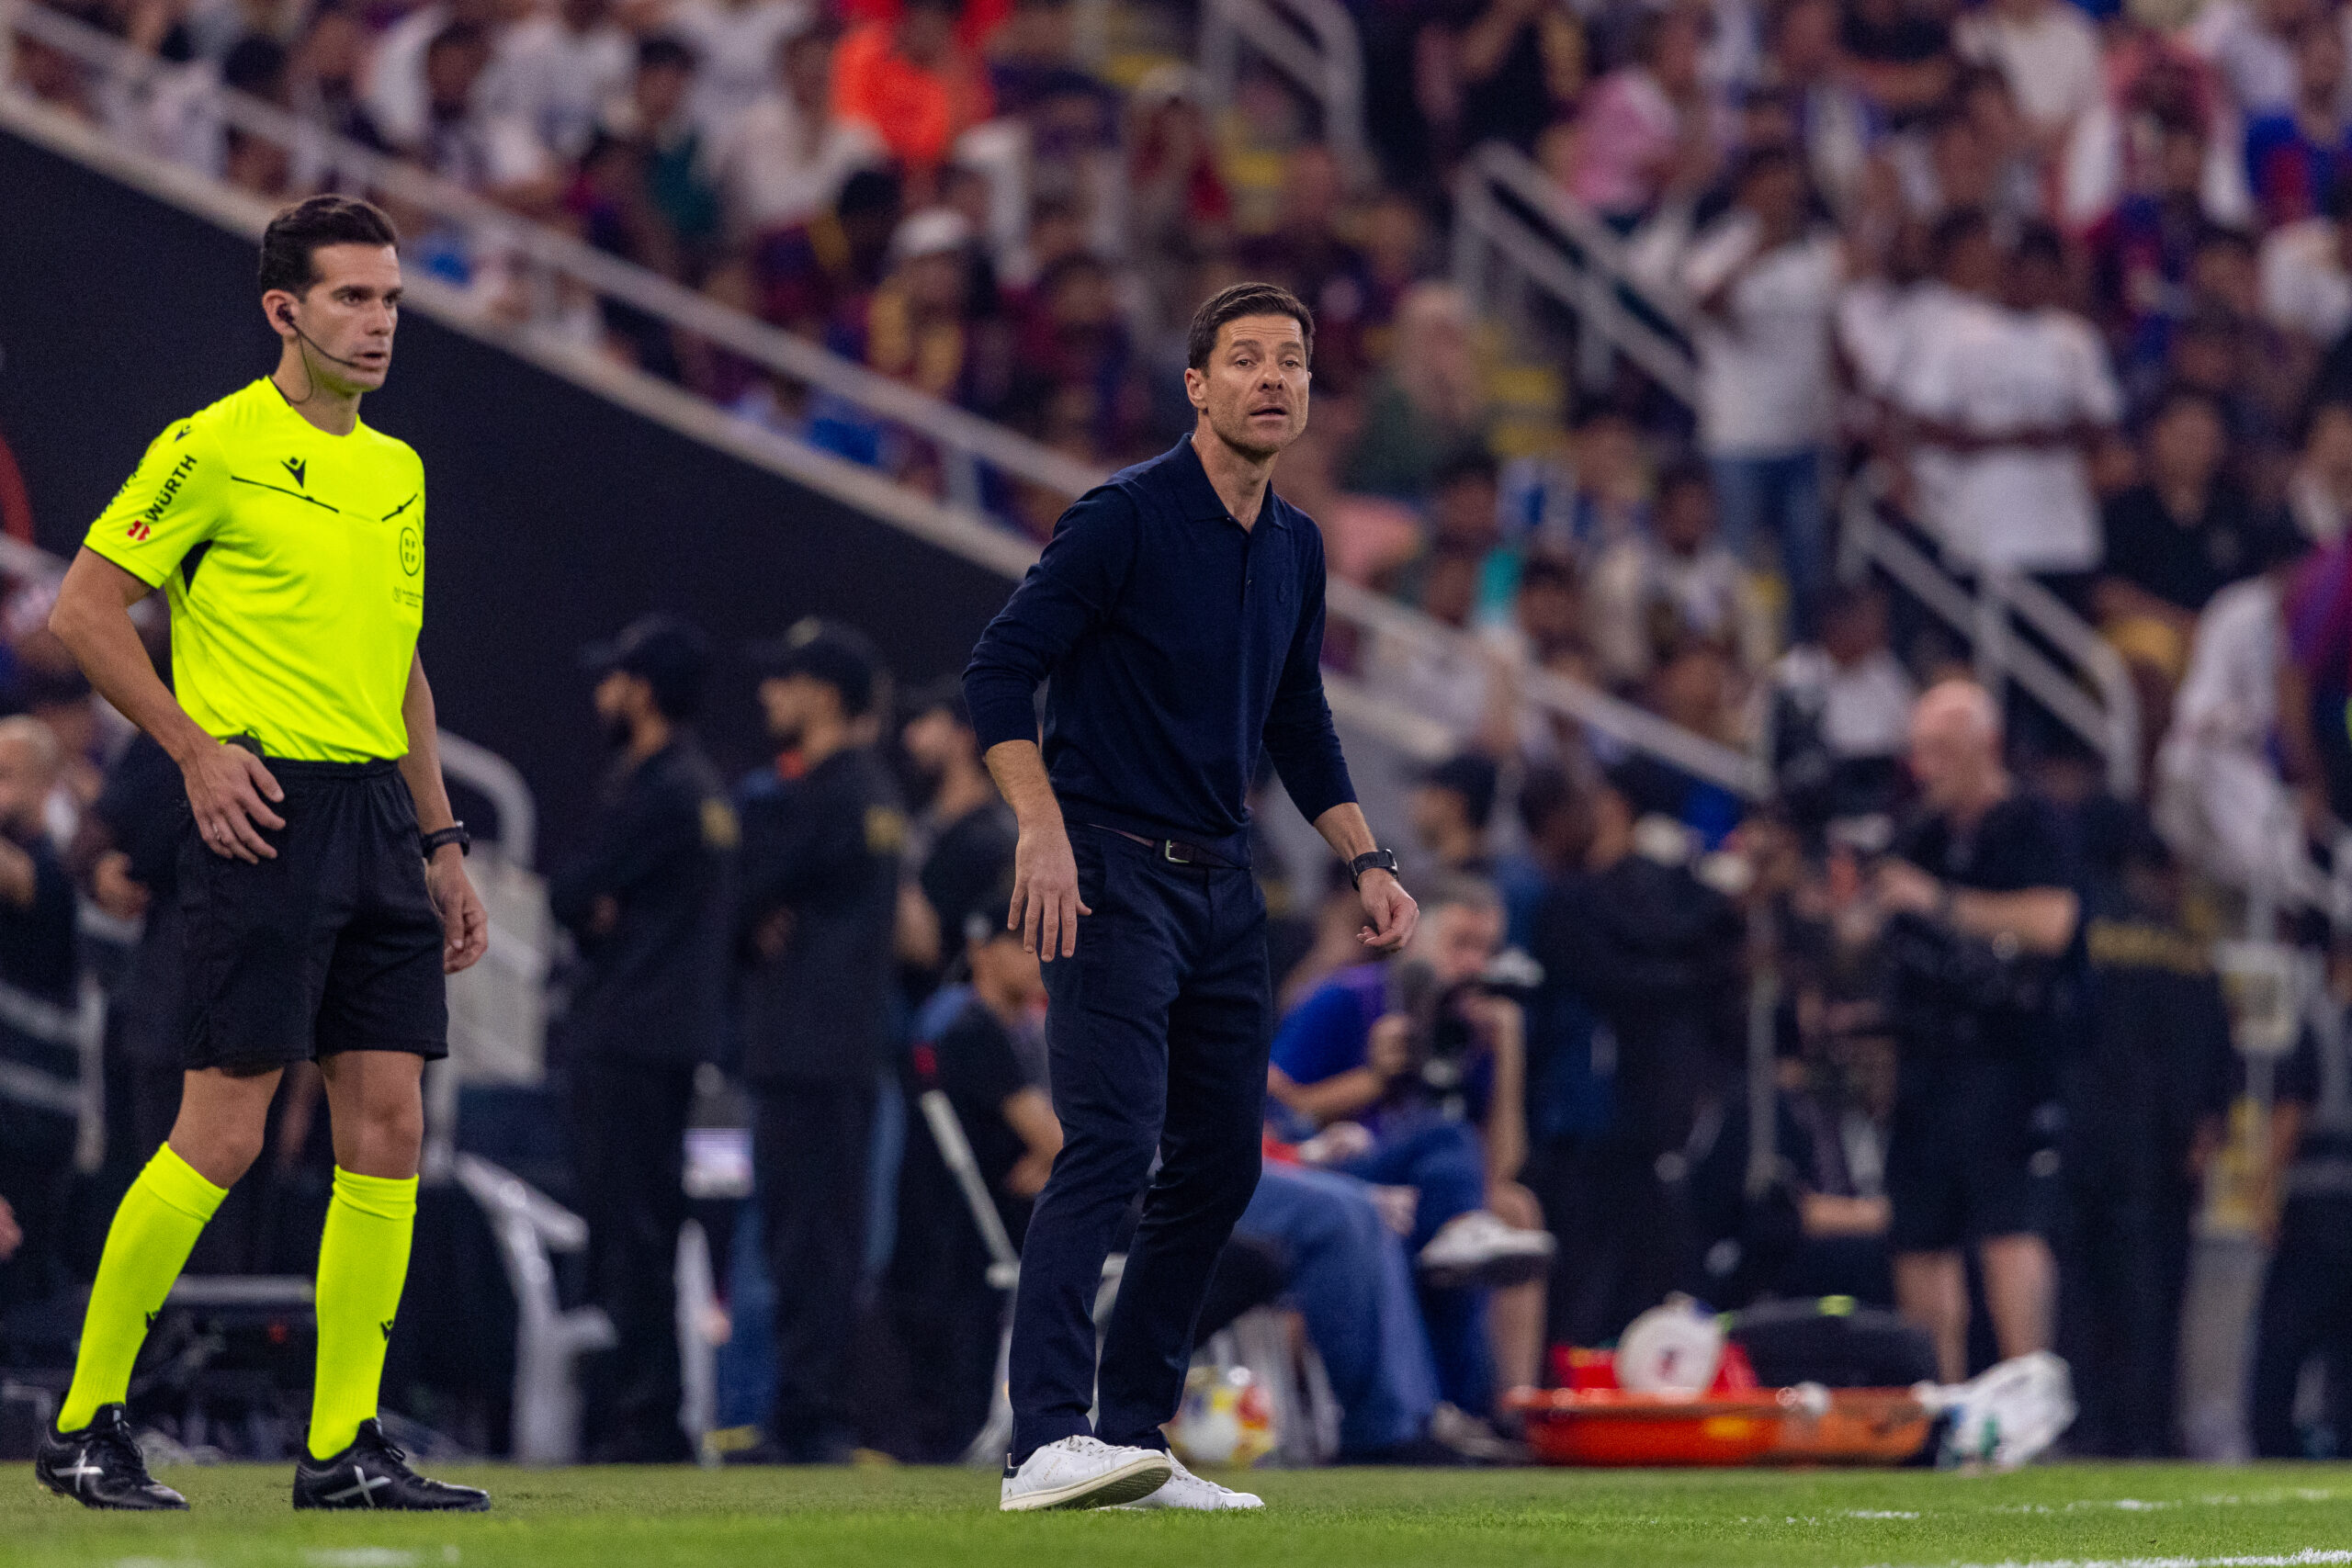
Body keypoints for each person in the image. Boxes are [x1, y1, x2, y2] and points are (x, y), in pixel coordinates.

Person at [36, 197, 489, 1511]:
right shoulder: (213, 446)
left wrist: (443, 839)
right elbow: (83, 608)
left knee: (389, 1129)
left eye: (391, 298)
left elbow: (400, 661)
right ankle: (83, 1423)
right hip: (266, 812)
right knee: (224, 1132)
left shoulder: (396, 469)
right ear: (284, 310)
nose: (379, 321)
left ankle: (343, 1445)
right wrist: (191, 749)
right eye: (353, 296)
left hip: (380, 820)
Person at [963, 280, 1418, 1512]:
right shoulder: (1122, 517)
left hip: (1223, 883)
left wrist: (1368, 858)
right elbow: (999, 670)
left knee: (1218, 1162)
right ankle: (1041, 1437)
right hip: (1108, 867)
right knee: (1111, 1142)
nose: (1273, 378)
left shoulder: (1297, 545)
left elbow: (1297, 717)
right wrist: (1041, 828)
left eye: (1292, 360)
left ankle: (1131, 1431)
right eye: (1247, 358)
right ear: (1196, 385)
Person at [548, 613, 736, 1463]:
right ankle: (647, 1409)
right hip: (665, 1039)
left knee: (629, 1232)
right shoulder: (701, 788)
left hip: (627, 1036)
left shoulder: (660, 790)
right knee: (646, 1229)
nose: (603, 695)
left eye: (617, 679)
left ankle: (643, 1416)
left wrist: (597, 909)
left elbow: (570, 892)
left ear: (645, 690)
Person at [1266, 875, 1553, 1421]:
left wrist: (1508, 1050)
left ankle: (1509, 1413)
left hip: (1435, 1187)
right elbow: (1271, 1114)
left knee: (1509, 1208)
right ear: (1416, 939)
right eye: (1461, 944)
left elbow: (1502, 1167)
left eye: (1488, 949)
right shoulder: (1350, 996)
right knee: (1447, 1146)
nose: (1476, 964)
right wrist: (1371, 1081)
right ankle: (1449, 1407)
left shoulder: (1470, 1028)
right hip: (1337, 1173)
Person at [1864, 680, 2078, 1383]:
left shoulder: (2030, 823)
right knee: (1919, 1237)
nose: (1927, 768)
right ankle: (1938, 1402)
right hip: (1925, 1061)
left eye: (1943, 751)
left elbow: (2054, 921)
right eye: (1919, 752)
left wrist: (1938, 901)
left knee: (2008, 1232)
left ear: (1986, 746)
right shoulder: (1918, 833)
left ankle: (2027, 1396)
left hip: (2006, 1059)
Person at [733, 617, 906, 1464]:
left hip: (811, 1050)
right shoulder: (864, 793)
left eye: (788, 679)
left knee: (809, 1240)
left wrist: (752, 910)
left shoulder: (829, 793)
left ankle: (812, 1418)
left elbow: (736, 888)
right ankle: (805, 1411)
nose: (771, 694)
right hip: (827, 1049)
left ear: (825, 695)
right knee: (810, 1237)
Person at [885, 904, 1059, 1461]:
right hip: (998, 1225)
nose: (1039, 957)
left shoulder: (1024, 1028)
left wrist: (1056, 1157)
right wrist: (1062, 1155)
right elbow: (1061, 1140)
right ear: (981, 950)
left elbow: (1058, 1145)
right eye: (1023, 943)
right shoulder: (968, 1026)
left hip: (1019, 1213)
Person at [0, 717, 85, 1323]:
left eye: (5, 775)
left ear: (45, 784)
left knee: (23, 1289)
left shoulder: (56, 869)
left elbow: (24, 882)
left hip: (35, 1123)